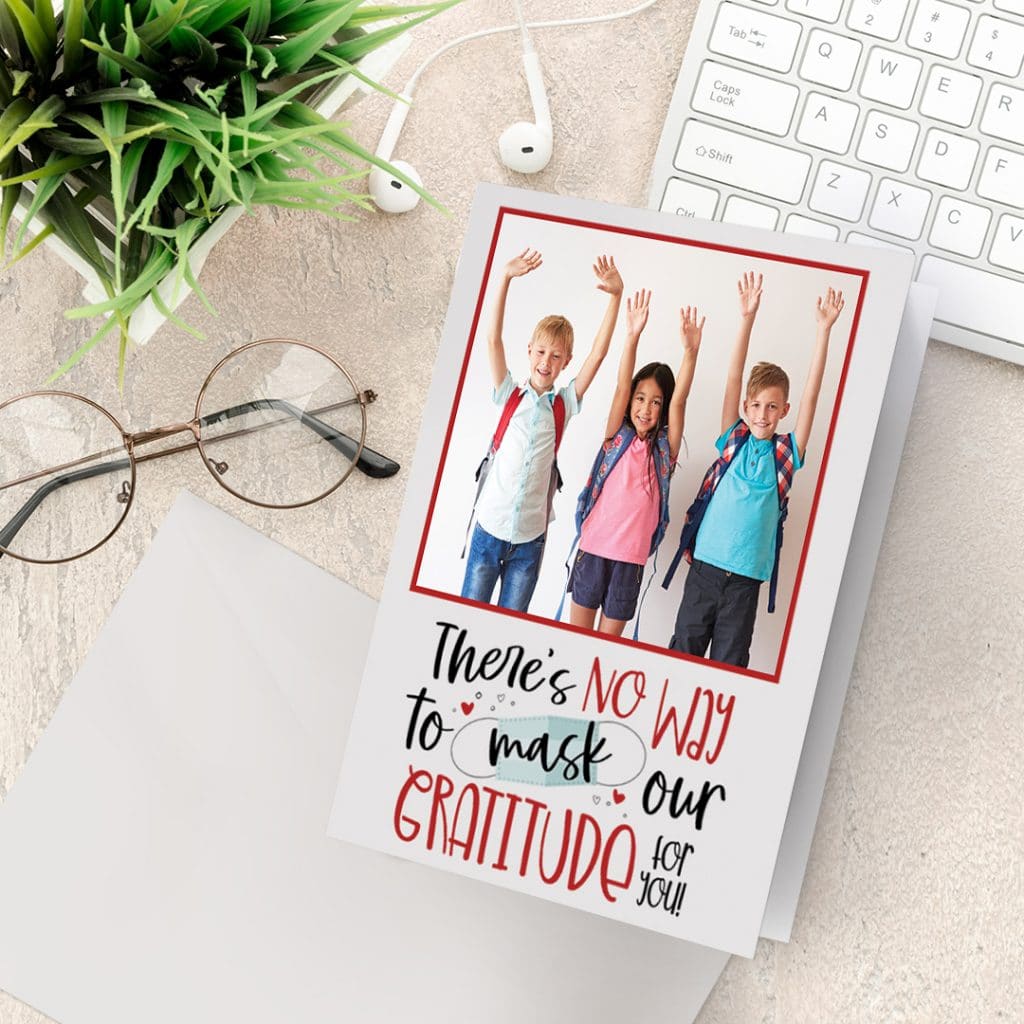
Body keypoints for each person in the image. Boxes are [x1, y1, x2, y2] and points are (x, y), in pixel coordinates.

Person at [667, 272, 845, 668]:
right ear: (746, 408)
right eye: (756, 405)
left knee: (730, 663)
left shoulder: (786, 454)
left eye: (772, 406)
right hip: (705, 569)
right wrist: (746, 318)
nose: (763, 414)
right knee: (683, 653)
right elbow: (734, 376)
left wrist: (823, 331)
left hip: (745, 582)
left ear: (784, 410)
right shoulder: (733, 439)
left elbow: (813, 394)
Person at [461, 246, 624, 612]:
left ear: (566, 361)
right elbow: (492, 340)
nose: (546, 362)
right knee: (467, 618)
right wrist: (503, 277)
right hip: (488, 530)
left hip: (529, 541)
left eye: (556, 356)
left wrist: (616, 297)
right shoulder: (509, 395)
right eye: (541, 352)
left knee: (507, 626)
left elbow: (597, 355)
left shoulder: (563, 405)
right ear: (529, 350)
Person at [565, 289, 704, 637]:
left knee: (606, 645)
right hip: (593, 550)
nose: (645, 408)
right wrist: (632, 336)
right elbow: (619, 390)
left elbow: (681, 402)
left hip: (631, 561)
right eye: (640, 398)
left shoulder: (663, 453)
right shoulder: (616, 437)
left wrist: (691, 352)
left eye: (656, 402)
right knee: (574, 641)